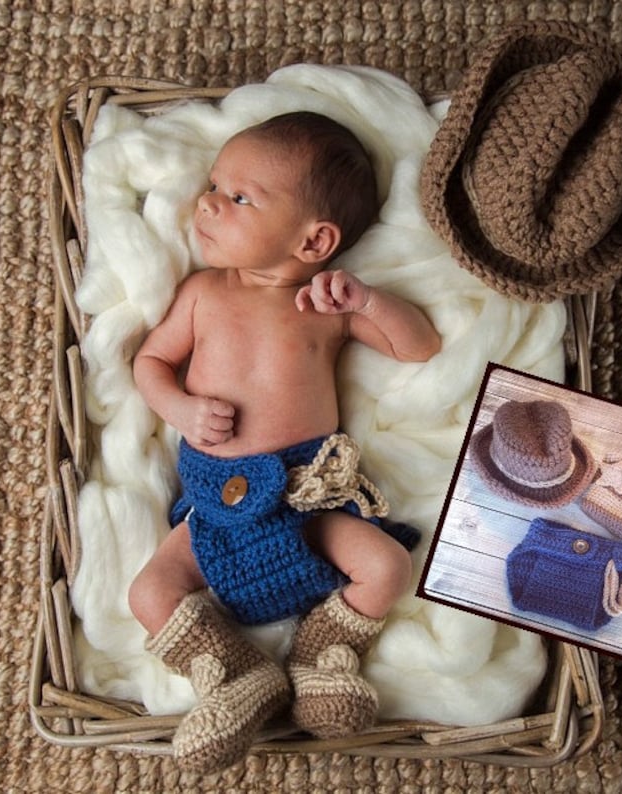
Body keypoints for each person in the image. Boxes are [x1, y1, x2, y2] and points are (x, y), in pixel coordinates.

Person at [128, 111, 441, 773]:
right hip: (214, 507)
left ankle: (323, 653)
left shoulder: (322, 307)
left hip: (306, 501)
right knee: (149, 594)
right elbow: (149, 366)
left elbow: (418, 346)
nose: (209, 201)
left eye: (240, 197)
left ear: (313, 240)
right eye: (215, 184)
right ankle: (234, 674)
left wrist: (366, 301)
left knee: (386, 567)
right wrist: (180, 407)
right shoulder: (202, 294)